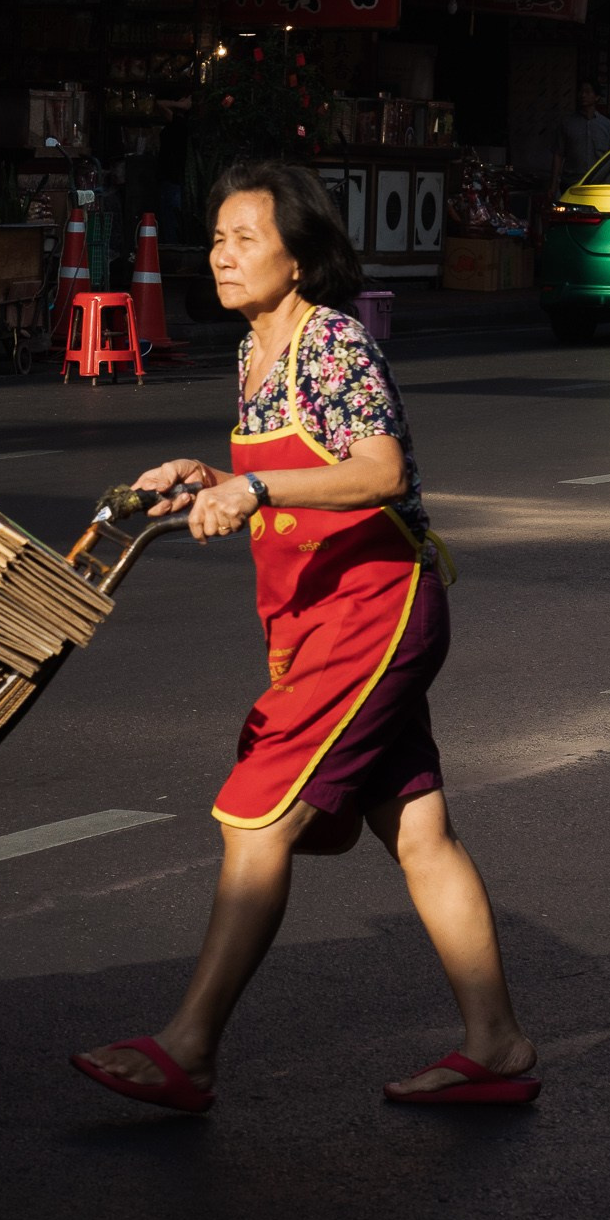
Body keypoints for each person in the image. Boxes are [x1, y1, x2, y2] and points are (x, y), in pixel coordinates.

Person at [72, 160, 537, 1114]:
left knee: (258, 811)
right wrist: (208, 478)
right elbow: (288, 475)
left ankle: (191, 1046)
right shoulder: (255, 350)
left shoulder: (332, 344)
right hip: (315, 617)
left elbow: (377, 470)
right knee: (417, 830)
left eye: (246, 239)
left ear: (299, 258)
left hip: (374, 609)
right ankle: (498, 1043)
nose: (223, 255)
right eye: (217, 238)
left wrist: (254, 487)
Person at [539, 79, 610, 190]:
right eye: (581, 92)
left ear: (596, 97)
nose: (583, 95)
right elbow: (558, 154)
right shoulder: (567, 123)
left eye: (588, 92)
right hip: (571, 182)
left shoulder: (606, 125)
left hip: (598, 183)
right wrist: (553, 184)